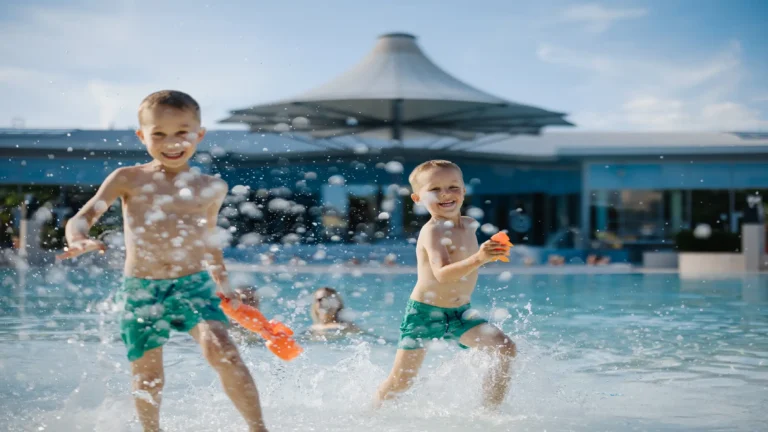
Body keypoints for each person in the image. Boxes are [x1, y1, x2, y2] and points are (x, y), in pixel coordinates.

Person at [58, 90, 268, 432]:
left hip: (192, 284)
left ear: (199, 135)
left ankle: (259, 429)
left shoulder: (211, 187)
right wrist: (78, 238)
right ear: (142, 136)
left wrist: (225, 287)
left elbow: (209, 241)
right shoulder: (128, 178)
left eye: (182, 132)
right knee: (149, 378)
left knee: (224, 351)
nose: (172, 142)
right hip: (141, 289)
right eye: (159, 134)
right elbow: (84, 216)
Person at [375, 160, 517, 409]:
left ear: (463, 191)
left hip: (460, 313)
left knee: (504, 349)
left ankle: (490, 415)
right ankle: (370, 415)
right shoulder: (433, 231)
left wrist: (494, 251)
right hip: (424, 314)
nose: (445, 194)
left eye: (453, 186)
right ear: (418, 198)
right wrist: (480, 258)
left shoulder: (470, 225)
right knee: (401, 382)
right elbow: (442, 274)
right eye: (435, 189)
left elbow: (467, 262)